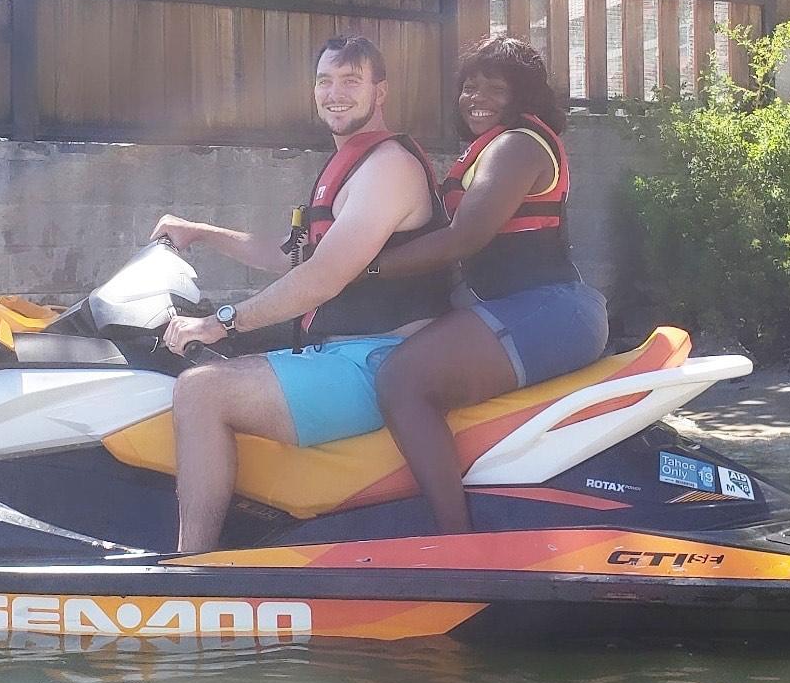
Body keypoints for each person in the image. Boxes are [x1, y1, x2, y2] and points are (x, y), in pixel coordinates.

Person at [151, 36, 450, 553]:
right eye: (325, 80)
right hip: (341, 355)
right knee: (199, 375)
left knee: (200, 390)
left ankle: (190, 570)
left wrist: (220, 321)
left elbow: (323, 276)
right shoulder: (350, 166)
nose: (335, 93)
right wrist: (198, 232)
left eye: (351, 80)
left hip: (377, 361)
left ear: (381, 92)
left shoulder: (388, 166)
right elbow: (291, 256)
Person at [368, 35, 609, 534]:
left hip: (551, 309)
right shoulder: (488, 149)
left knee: (402, 381)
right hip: (522, 310)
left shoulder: (518, 144)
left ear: (522, 97)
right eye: (468, 87)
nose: (475, 98)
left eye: (493, 89)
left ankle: (455, 537)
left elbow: (465, 237)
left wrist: (365, 268)